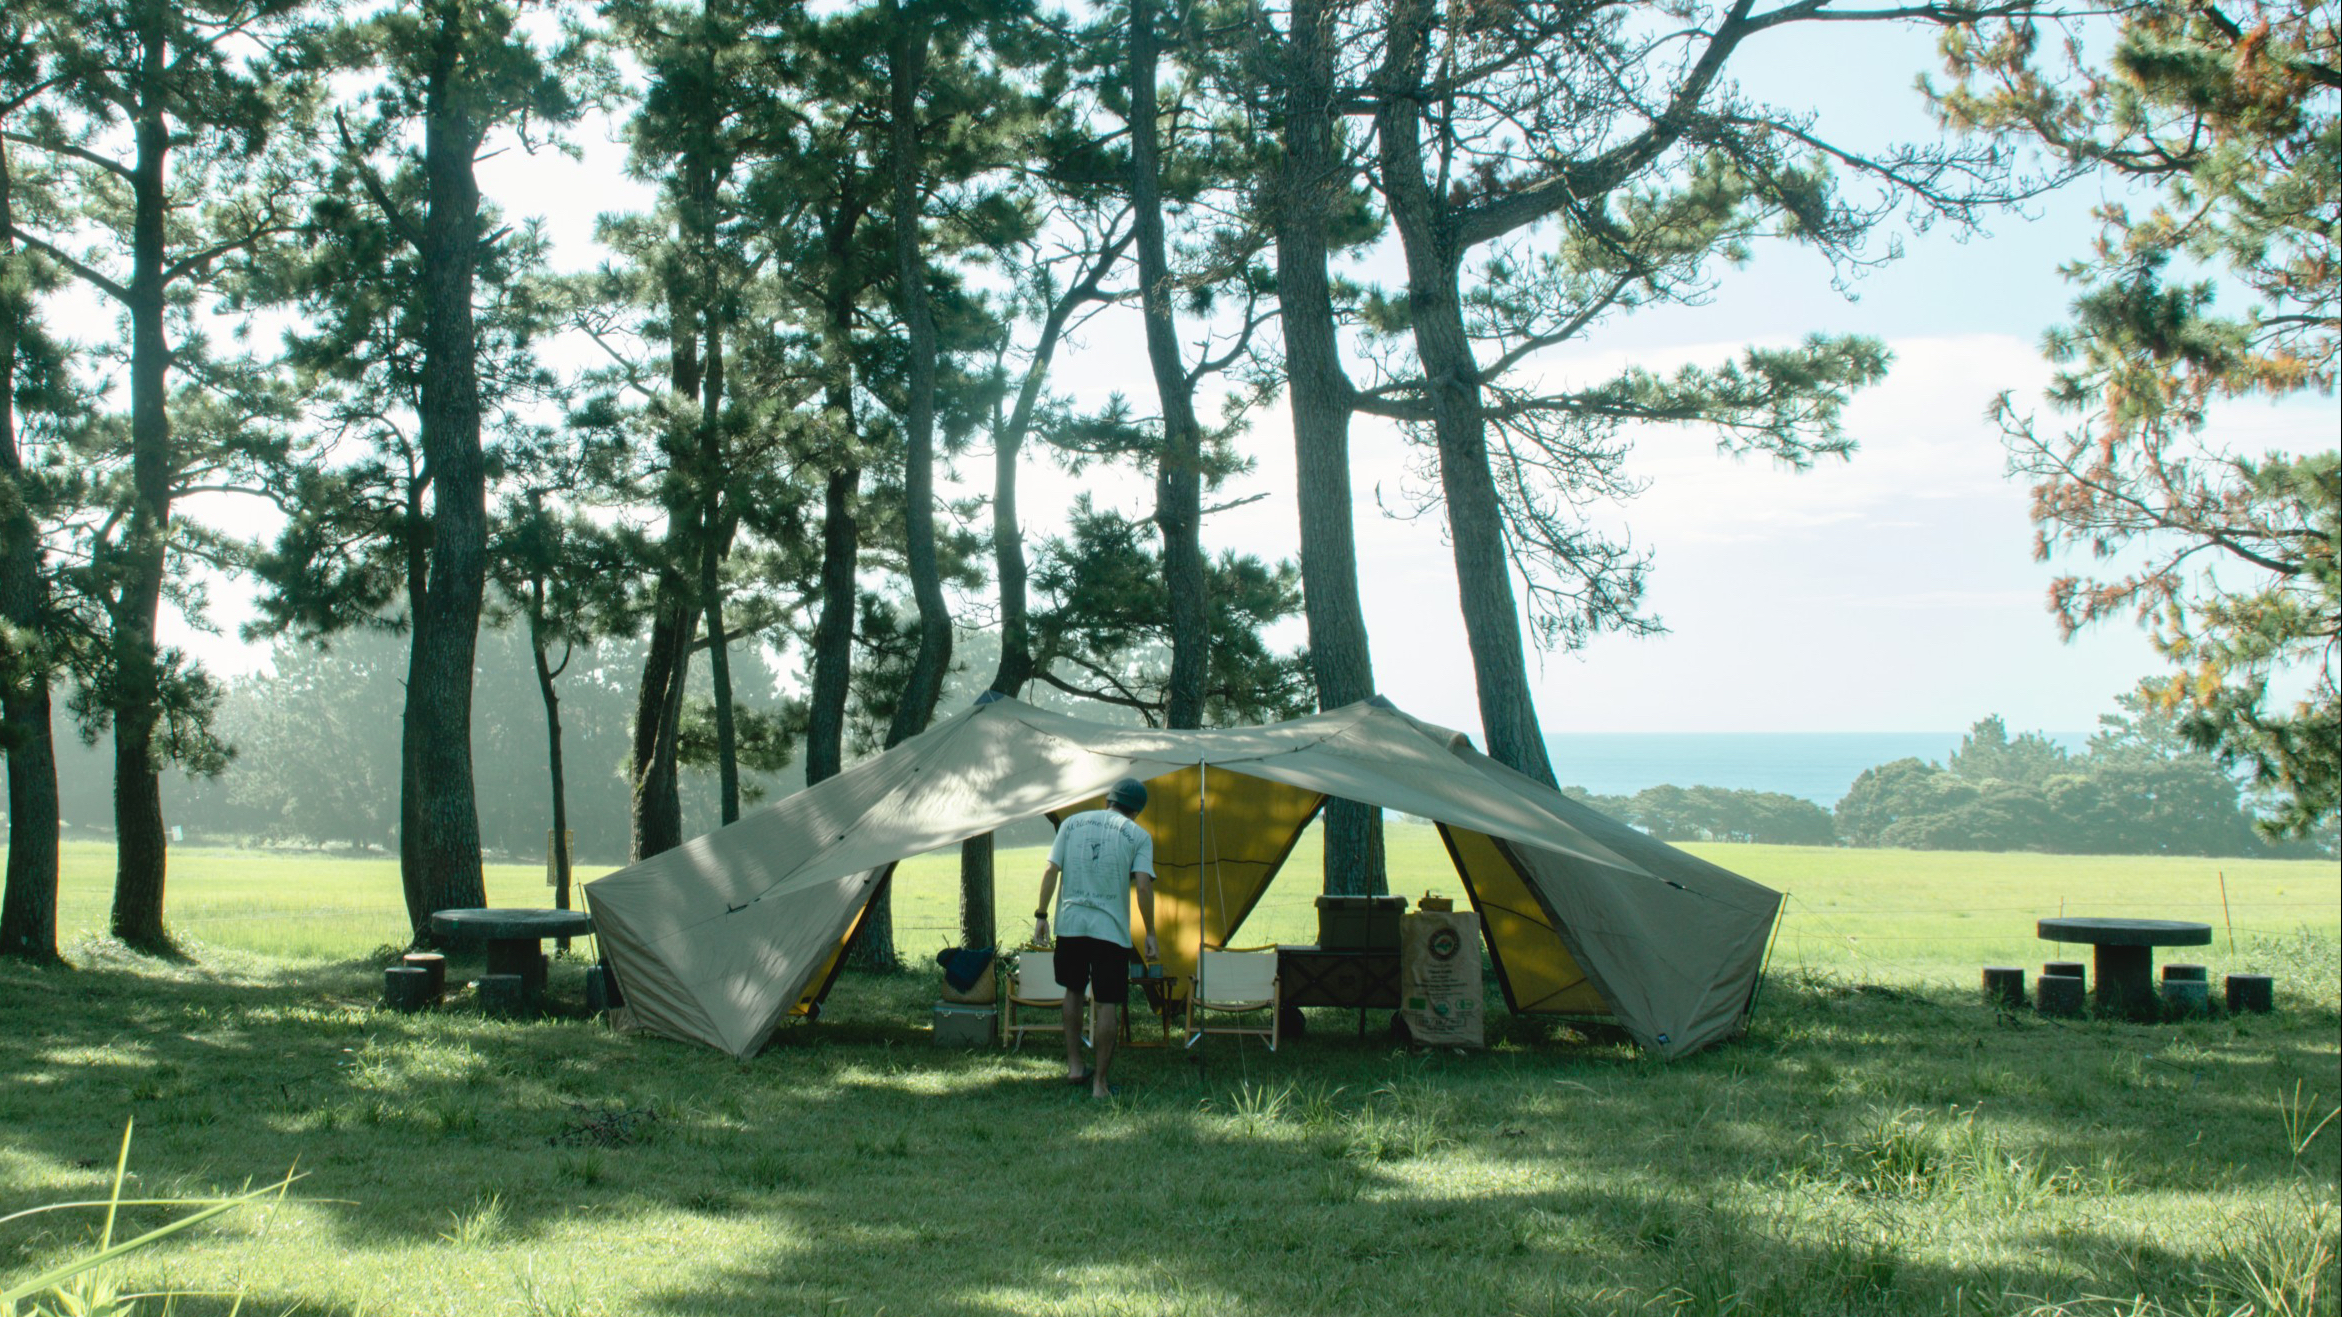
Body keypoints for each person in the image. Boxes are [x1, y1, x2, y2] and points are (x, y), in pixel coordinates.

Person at [1034, 776, 1159, 1098]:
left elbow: (1050, 871)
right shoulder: (1139, 835)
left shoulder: (1071, 824)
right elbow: (1143, 885)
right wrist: (1151, 933)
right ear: (1137, 811)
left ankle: (1075, 1066)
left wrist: (1041, 915)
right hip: (1110, 930)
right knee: (1106, 1003)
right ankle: (1100, 1084)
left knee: (1073, 991)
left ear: (1108, 800)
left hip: (1072, 923)